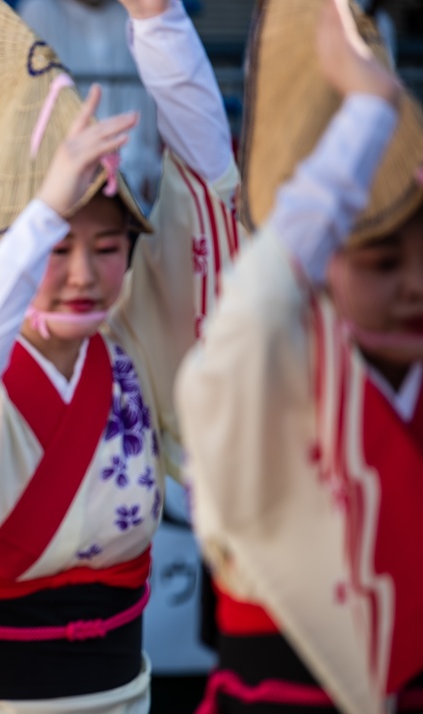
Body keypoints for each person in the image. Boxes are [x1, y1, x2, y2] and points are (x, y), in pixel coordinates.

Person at [0, 0, 240, 711]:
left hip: (119, 692)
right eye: (57, 248)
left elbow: (209, 191)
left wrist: (160, 25)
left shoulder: (134, 347)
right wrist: (40, 212)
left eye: (108, 246)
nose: (85, 274)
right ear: (16, 248)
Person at [176, 1, 423, 712]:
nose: (413, 286)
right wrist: (370, 111)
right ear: (315, 265)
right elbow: (254, 309)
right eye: (380, 262)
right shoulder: (252, 378)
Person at [17, 0, 162, 206]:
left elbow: (142, 116)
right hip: (57, 183)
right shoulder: (39, 11)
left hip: (130, 182)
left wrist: (147, 172)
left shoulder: (130, 13)